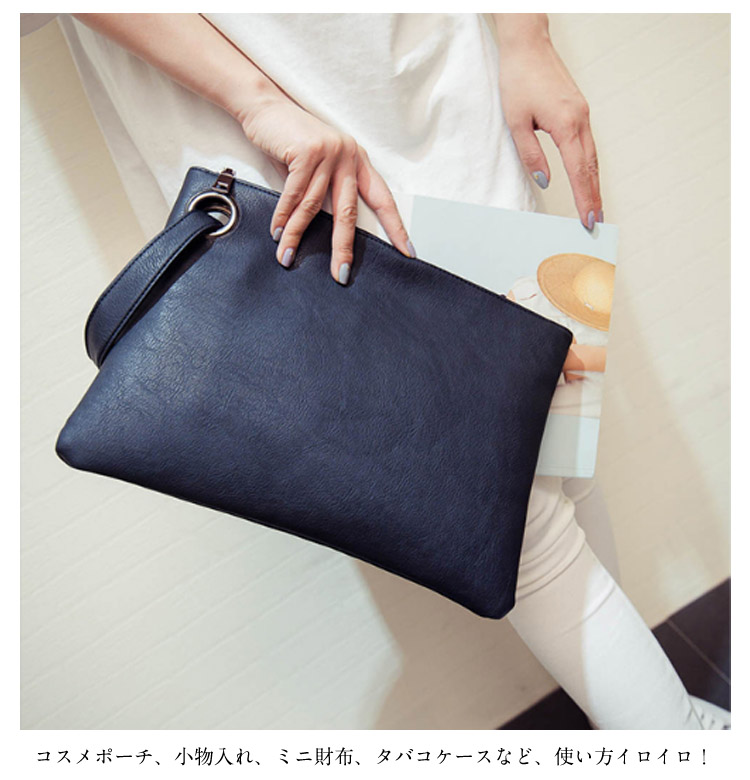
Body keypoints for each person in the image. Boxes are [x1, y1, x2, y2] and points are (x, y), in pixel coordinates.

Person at [31, 12, 729, 729]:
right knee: (515, 519)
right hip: (275, 153)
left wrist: (528, 40)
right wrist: (256, 100)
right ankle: (674, 737)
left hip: (441, 86)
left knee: (557, 448)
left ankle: (648, 719)